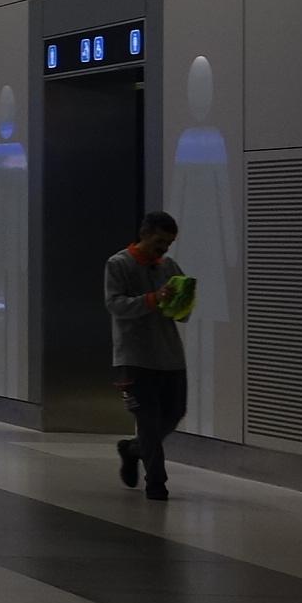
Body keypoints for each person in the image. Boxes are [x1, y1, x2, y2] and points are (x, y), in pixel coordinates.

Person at [106, 209, 191, 501]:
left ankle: (133, 449)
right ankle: (157, 482)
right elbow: (116, 305)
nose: (163, 250)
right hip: (135, 357)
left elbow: (181, 314)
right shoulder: (118, 264)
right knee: (149, 420)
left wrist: (184, 302)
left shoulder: (170, 266)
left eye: (168, 244)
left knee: (175, 412)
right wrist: (153, 299)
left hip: (169, 356)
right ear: (143, 234)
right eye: (158, 242)